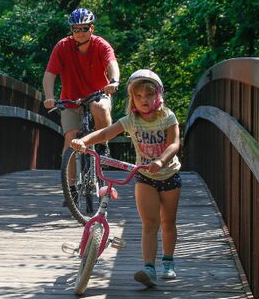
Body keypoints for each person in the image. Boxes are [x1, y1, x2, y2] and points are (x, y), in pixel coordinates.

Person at [70, 69, 181, 287]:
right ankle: (149, 269)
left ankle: (168, 262)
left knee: (168, 222)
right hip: (145, 176)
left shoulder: (168, 117)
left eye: (149, 95)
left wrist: (160, 161)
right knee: (150, 223)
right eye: (138, 96)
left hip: (169, 175)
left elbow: (174, 144)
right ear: (132, 99)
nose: (144, 101)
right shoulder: (131, 120)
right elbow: (104, 134)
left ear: (158, 95)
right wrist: (84, 141)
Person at [43, 7, 120, 153]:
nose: (80, 33)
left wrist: (114, 81)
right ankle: (69, 177)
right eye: (75, 29)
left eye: (84, 28)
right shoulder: (62, 46)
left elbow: (112, 63)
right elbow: (49, 74)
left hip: (98, 94)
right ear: (71, 30)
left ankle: (103, 145)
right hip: (70, 99)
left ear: (92, 28)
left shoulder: (101, 45)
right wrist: (49, 97)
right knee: (71, 139)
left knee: (100, 107)